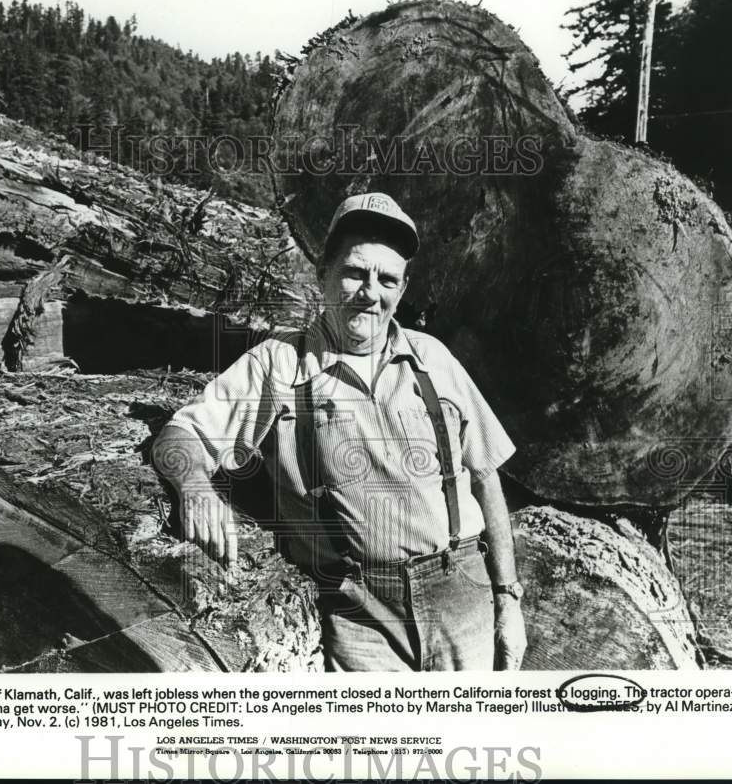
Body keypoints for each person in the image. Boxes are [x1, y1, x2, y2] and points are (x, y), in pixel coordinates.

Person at [152, 192, 526, 672]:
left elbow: (485, 476)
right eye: (355, 272)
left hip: (461, 591)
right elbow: (181, 433)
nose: (370, 292)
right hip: (359, 609)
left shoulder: (433, 359)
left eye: (387, 279)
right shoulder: (279, 364)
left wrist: (507, 597)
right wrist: (196, 487)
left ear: (403, 287)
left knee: (468, 740)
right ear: (322, 274)